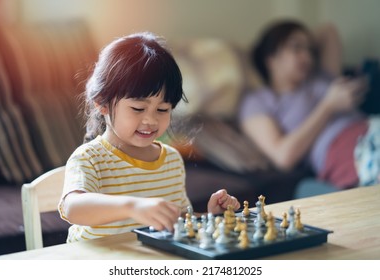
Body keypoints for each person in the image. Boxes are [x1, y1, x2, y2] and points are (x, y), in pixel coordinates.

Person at [58, 32, 240, 242]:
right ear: (102, 103)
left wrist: (211, 218)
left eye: (162, 110)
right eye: (138, 108)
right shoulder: (90, 158)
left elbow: (177, 220)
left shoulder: (170, 160)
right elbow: (72, 208)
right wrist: (132, 206)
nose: (151, 120)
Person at [239, 20, 378, 190]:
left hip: (372, 126)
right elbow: (283, 157)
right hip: (344, 149)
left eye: (310, 50)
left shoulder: (318, 77)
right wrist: (328, 106)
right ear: (271, 59)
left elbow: (328, 31)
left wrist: (302, 42)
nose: (307, 57)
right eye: (296, 48)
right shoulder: (258, 100)